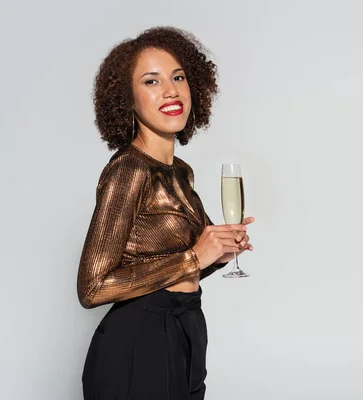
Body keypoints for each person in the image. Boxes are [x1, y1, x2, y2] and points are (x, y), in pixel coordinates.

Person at [77, 26, 254, 399]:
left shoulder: (180, 172)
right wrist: (193, 258)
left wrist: (221, 251)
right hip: (139, 344)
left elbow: (184, 263)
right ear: (128, 100)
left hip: (187, 327)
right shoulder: (129, 169)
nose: (171, 90)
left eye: (178, 77)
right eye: (151, 81)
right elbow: (92, 287)